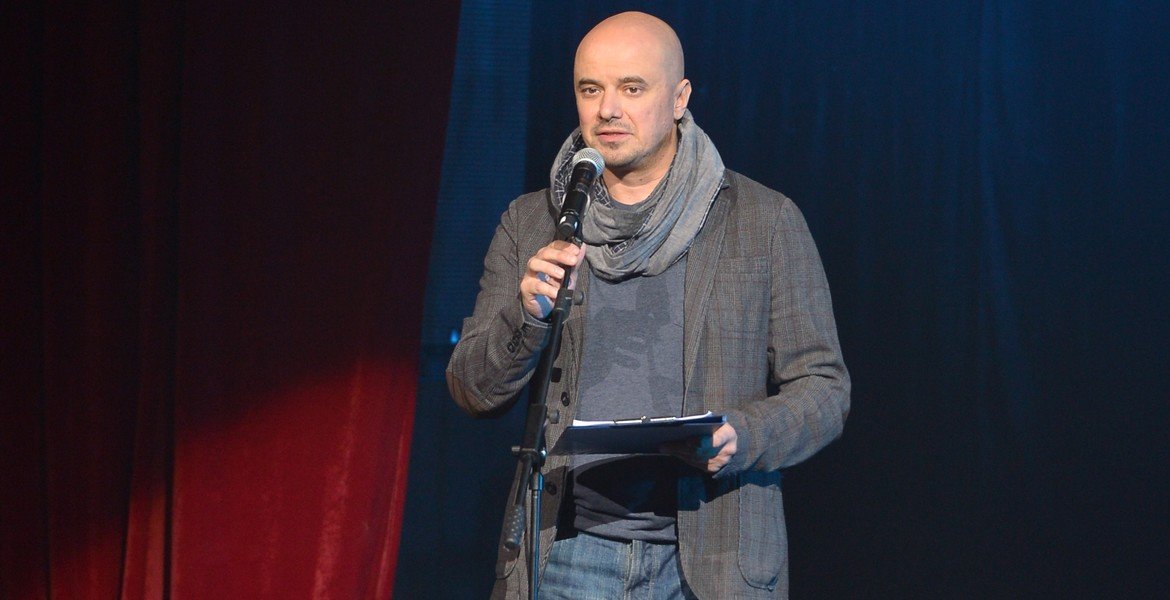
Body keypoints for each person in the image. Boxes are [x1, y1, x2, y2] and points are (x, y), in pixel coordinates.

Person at [447, 11, 850, 600]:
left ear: (680, 98)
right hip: (566, 557)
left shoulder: (762, 221)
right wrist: (526, 316)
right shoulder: (533, 222)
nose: (608, 109)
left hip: (712, 562)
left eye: (632, 88)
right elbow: (471, 390)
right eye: (591, 89)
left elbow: (824, 388)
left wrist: (742, 434)